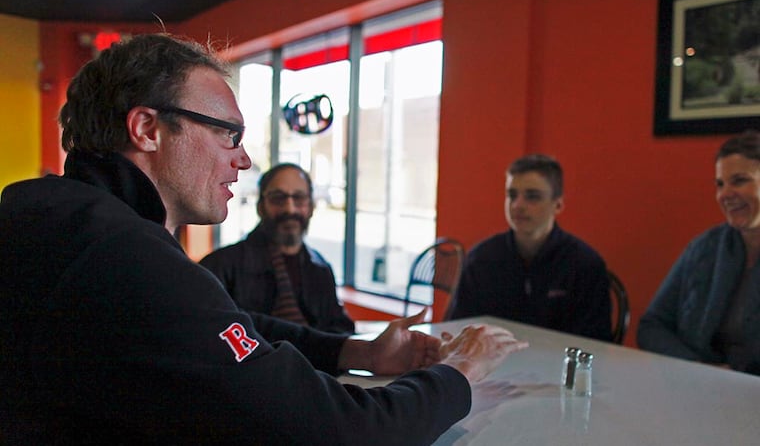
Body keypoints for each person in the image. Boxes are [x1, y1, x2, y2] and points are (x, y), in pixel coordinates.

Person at [0, 33, 529, 444]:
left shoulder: (55, 215)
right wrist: (459, 374)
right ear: (147, 129)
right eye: (227, 132)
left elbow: (225, 326)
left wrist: (356, 350)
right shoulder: (121, 255)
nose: (244, 159)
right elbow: (341, 432)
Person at [448, 154, 612, 341]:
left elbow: (596, 342)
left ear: (557, 205)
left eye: (532, 197)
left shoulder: (585, 265)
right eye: (512, 195)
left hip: (558, 365)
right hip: (490, 365)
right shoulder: (481, 259)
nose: (518, 205)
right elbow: (459, 329)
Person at [638, 130, 760, 376]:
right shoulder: (704, 248)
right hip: (700, 387)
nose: (725, 194)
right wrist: (699, 368)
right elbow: (652, 326)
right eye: (719, 184)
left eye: (739, 180)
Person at [200, 163, 355, 334]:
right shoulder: (220, 266)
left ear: (311, 207)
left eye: (299, 198)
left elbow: (338, 330)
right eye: (278, 198)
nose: (290, 209)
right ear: (260, 207)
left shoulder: (320, 269)